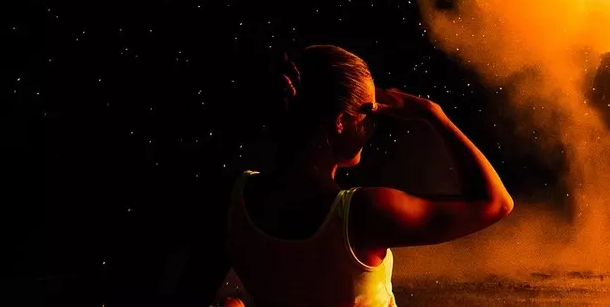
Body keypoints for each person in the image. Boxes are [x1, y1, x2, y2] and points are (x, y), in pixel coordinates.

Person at [170, 44, 514, 307]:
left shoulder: (231, 200)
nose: (374, 123)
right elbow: (496, 202)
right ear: (340, 121)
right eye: (369, 111)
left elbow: (185, 299)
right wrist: (432, 114)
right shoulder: (365, 213)